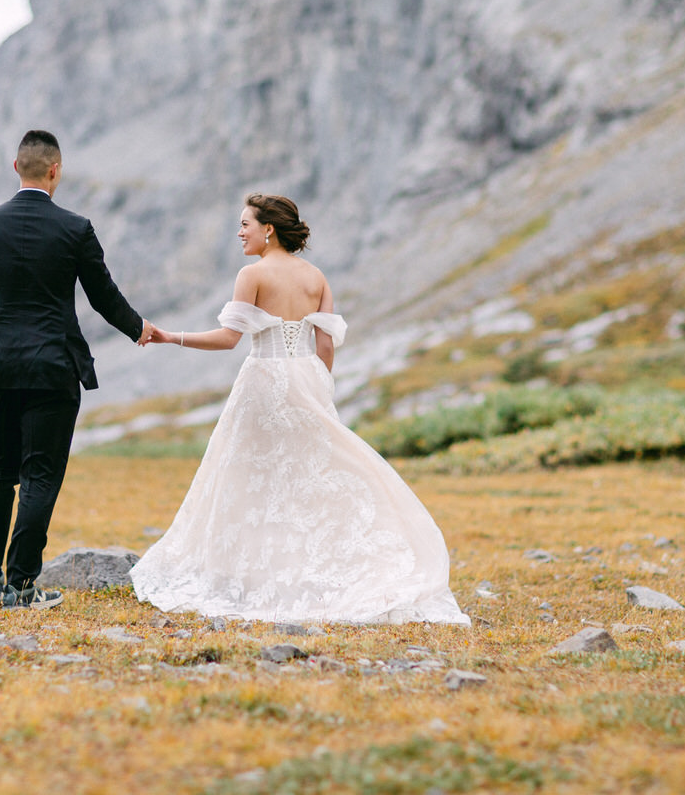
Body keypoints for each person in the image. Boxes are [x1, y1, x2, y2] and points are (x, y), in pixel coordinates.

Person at [132, 194, 469, 625]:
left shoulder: (252, 274)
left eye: (245, 225)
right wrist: (319, 389)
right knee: (308, 475)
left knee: (252, 477)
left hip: (265, 380)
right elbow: (325, 343)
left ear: (268, 229)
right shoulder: (316, 277)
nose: (239, 233)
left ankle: (253, 574)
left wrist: (169, 336)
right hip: (307, 377)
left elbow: (228, 339)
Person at [0, 130, 154, 610]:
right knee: (41, 473)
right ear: (55, 171)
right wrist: (139, 328)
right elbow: (102, 295)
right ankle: (21, 585)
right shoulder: (75, 228)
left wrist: (7, 321)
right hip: (52, 365)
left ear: (16, 167)